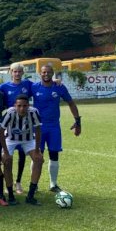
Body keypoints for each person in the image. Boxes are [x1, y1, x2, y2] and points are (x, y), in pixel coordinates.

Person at [31, 64, 82, 192]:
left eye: (48, 72)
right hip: (38, 127)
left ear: (53, 73)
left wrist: (78, 121)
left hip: (54, 127)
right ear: (40, 73)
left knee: (54, 155)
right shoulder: (34, 87)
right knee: (37, 155)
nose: (46, 74)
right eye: (43, 72)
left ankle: (53, 184)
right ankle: (34, 184)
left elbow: (71, 103)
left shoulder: (59, 87)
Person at [0, 95, 43, 205]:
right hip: (10, 139)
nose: (22, 108)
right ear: (15, 106)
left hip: (28, 139)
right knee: (7, 161)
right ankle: (11, 196)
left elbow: (37, 131)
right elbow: (0, 132)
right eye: (19, 106)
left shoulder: (34, 112)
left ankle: (30, 196)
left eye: (25, 106)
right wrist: (6, 152)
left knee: (39, 160)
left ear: (29, 105)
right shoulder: (10, 113)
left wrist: (37, 151)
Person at [0, 63, 34, 195]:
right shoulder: (3, 87)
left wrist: (56, 81)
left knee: (23, 154)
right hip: (10, 125)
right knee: (7, 157)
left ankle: (18, 182)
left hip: (25, 125)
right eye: (15, 71)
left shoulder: (28, 84)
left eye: (19, 72)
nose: (17, 74)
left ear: (22, 73)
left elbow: (42, 85)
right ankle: (9, 182)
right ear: (10, 72)